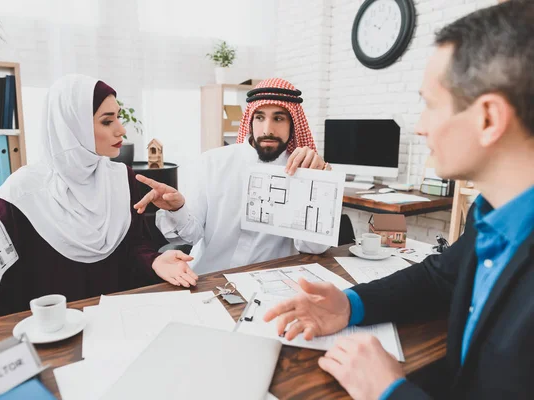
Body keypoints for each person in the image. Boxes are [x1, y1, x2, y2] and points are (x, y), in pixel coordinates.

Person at [265, 2, 534, 399]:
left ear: (489, 119)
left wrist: (390, 392)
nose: (421, 128)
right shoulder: (493, 211)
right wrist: (349, 305)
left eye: (429, 105)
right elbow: (439, 276)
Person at [0, 74, 197, 319]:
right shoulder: (22, 193)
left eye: (118, 117)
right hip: (57, 331)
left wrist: (155, 260)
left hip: (119, 318)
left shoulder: (120, 177)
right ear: (72, 127)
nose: (121, 130)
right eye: (107, 121)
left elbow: (133, 247)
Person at [133, 78, 332, 275]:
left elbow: (313, 248)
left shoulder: (303, 171)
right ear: (250, 120)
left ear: (293, 124)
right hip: (208, 279)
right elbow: (190, 236)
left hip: (271, 282)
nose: (267, 129)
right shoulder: (211, 163)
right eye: (260, 117)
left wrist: (317, 184)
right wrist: (177, 209)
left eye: (279, 118)